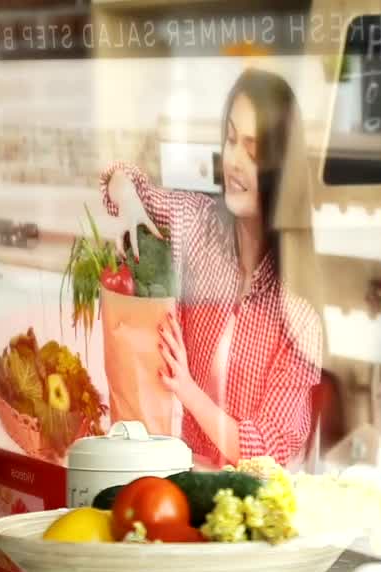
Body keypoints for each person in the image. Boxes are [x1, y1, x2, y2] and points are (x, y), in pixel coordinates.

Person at [100, 68, 322, 469]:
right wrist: (129, 200)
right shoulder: (197, 222)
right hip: (178, 475)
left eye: (252, 150)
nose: (234, 160)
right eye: (232, 139)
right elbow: (120, 179)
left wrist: (186, 389)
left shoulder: (297, 309)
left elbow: (268, 447)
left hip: (246, 508)